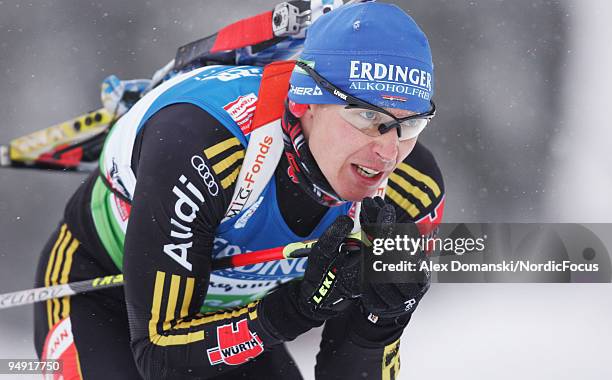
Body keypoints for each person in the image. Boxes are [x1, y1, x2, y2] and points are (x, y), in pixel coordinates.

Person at [33, 2, 445, 379]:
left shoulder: (411, 193)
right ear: (305, 102)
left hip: (232, 316)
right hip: (99, 289)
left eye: (409, 124)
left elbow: (351, 363)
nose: (388, 151)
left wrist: (380, 321)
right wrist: (295, 308)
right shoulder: (202, 144)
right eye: (366, 115)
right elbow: (158, 352)